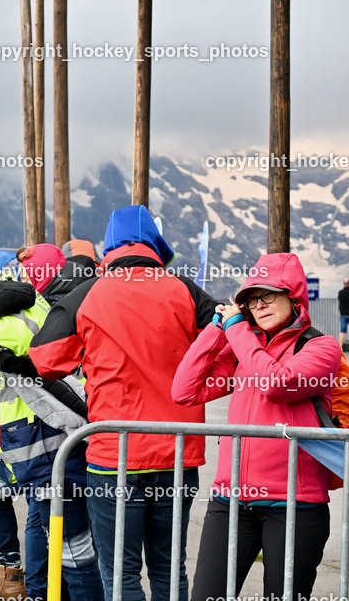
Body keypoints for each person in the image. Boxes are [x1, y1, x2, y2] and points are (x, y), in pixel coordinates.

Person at [30, 204, 216, 601]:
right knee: (170, 569)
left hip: (114, 456)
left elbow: (45, 359)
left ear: (109, 246)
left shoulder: (88, 293)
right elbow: (227, 345)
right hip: (178, 454)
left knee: (120, 573)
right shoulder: (185, 290)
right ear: (156, 245)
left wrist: (88, 354)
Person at [172, 251, 341, 601]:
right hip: (230, 501)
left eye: (268, 295)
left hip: (295, 505)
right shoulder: (243, 349)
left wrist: (237, 330)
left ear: (294, 297)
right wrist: (216, 330)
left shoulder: (321, 347)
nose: (259, 305)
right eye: (250, 299)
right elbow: (185, 391)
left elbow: (276, 384)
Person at [0, 255, 103, 601]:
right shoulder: (10, 300)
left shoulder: (7, 313)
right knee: (62, 545)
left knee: (74, 551)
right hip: (41, 446)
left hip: (47, 444)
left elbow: (19, 338)